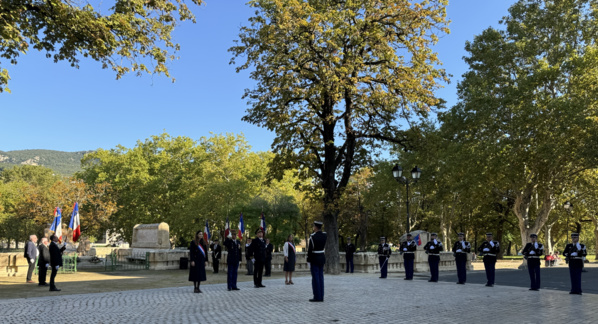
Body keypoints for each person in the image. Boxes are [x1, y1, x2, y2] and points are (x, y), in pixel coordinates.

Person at [307, 221, 327, 302]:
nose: (313, 227)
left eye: (314, 226)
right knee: (321, 277)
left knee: (315, 278)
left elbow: (310, 250)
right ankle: (321, 296)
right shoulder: (324, 235)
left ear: (316, 227)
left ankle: (317, 296)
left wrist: (308, 259)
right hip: (322, 257)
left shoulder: (313, 237)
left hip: (315, 258)